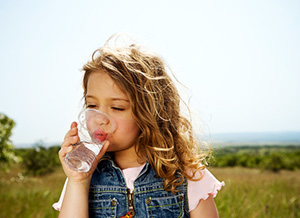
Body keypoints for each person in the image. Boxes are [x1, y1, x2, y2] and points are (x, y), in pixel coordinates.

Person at [54, 33, 224, 218]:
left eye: (117, 107)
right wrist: (78, 181)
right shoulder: (82, 178)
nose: (99, 118)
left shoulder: (187, 177)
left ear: (149, 112)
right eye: (92, 105)